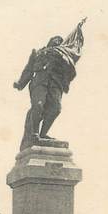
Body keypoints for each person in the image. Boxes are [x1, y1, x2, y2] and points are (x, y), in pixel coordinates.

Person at [14, 18, 86, 151]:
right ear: (50, 41)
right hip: (39, 82)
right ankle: (34, 134)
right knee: (38, 105)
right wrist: (20, 83)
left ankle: (43, 134)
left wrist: (78, 30)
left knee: (56, 109)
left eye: (60, 41)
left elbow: (71, 59)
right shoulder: (38, 52)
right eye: (55, 39)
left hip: (55, 84)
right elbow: (29, 69)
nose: (58, 41)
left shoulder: (63, 54)